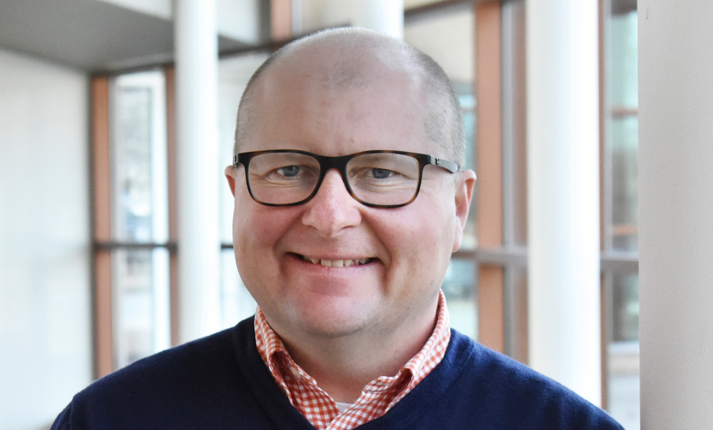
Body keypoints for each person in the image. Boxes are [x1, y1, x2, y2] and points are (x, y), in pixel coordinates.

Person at [51, 28, 624, 430]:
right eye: (289, 169)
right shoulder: (109, 419)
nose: (329, 216)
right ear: (236, 193)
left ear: (457, 206)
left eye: (380, 172)